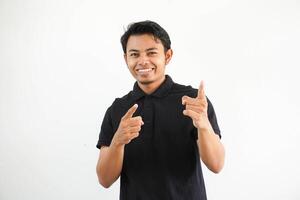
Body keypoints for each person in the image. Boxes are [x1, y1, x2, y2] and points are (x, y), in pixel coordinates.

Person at [96, 20, 225, 200]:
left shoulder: (194, 102)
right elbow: (104, 179)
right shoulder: (117, 109)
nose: (142, 61)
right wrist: (118, 141)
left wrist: (204, 125)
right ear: (126, 59)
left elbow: (216, 165)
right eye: (134, 54)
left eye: (151, 53)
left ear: (168, 56)